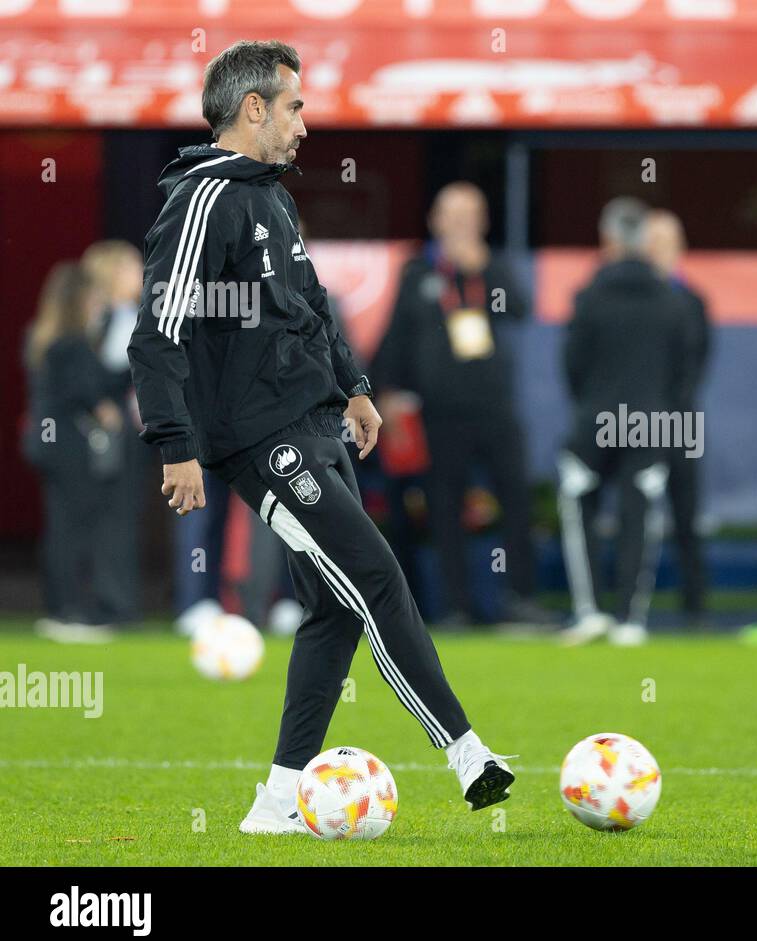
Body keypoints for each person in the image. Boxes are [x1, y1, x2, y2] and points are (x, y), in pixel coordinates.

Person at [126, 40, 514, 834]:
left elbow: (310, 302)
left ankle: (277, 802)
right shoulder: (203, 198)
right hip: (261, 440)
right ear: (254, 108)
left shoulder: (269, 194)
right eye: (296, 105)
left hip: (313, 422)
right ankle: (467, 752)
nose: (307, 123)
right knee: (374, 572)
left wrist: (356, 388)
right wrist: (175, 442)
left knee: (336, 608)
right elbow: (157, 331)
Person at [370, 182, 551, 627]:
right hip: (439, 411)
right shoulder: (418, 271)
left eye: (471, 215)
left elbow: (521, 310)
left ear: (483, 223)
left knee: (515, 501)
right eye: (453, 215)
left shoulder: (495, 269)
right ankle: (455, 607)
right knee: (444, 508)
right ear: (436, 221)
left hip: (495, 407)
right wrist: (385, 393)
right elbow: (396, 338)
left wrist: (485, 271)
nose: (461, 224)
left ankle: (519, 600)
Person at [558, 198, 690, 646]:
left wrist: (591, 405)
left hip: (595, 417)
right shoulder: (672, 299)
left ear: (609, 239)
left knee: (579, 503)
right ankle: (631, 619)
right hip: (650, 421)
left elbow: (573, 363)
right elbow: (684, 371)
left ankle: (591, 611)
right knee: (640, 515)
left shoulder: (589, 296)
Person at [21, 263, 124, 639]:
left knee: (61, 526)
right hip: (67, 444)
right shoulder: (73, 343)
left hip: (45, 441)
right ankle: (69, 612)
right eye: (94, 297)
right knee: (73, 529)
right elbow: (92, 388)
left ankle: (61, 609)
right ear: (79, 298)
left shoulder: (41, 337)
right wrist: (138, 366)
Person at [644, 209, 712, 624]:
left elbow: (697, 363)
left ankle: (696, 605)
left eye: (667, 242)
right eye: (652, 242)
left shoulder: (692, 301)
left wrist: (669, 411)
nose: (659, 251)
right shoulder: (630, 300)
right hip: (631, 423)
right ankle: (627, 604)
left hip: (679, 422)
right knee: (634, 514)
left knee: (686, 513)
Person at [82, 241, 146, 628]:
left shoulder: (141, 315)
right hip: (88, 432)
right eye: (133, 268)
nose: (142, 275)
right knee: (94, 517)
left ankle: (120, 605)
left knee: (122, 518)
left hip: (128, 431)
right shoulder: (91, 317)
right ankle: (94, 603)